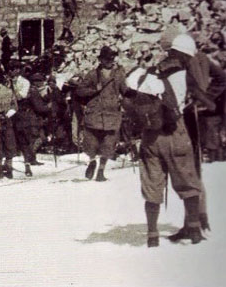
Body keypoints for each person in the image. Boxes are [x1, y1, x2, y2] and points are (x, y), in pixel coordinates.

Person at [128, 54, 205, 247]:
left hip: (151, 137)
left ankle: (152, 235)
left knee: (152, 185)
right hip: (176, 133)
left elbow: (128, 89)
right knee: (188, 181)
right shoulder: (183, 76)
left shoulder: (145, 77)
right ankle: (194, 230)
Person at [162, 34, 223, 241]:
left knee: (191, 170)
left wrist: (202, 99)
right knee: (190, 170)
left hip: (191, 117)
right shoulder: (197, 59)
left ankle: (197, 222)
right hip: (189, 115)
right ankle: (194, 221)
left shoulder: (192, 60)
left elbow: (219, 80)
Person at [74, 46, 128, 181]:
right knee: (91, 144)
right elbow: (80, 91)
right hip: (95, 114)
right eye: (106, 59)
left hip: (112, 115)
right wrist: (94, 90)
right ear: (101, 60)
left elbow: (125, 91)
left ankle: (101, 171)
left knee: (109, 144)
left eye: (111, 59)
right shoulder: (92, 74)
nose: (109, 61)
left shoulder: (119, 75)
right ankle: (92, 162)